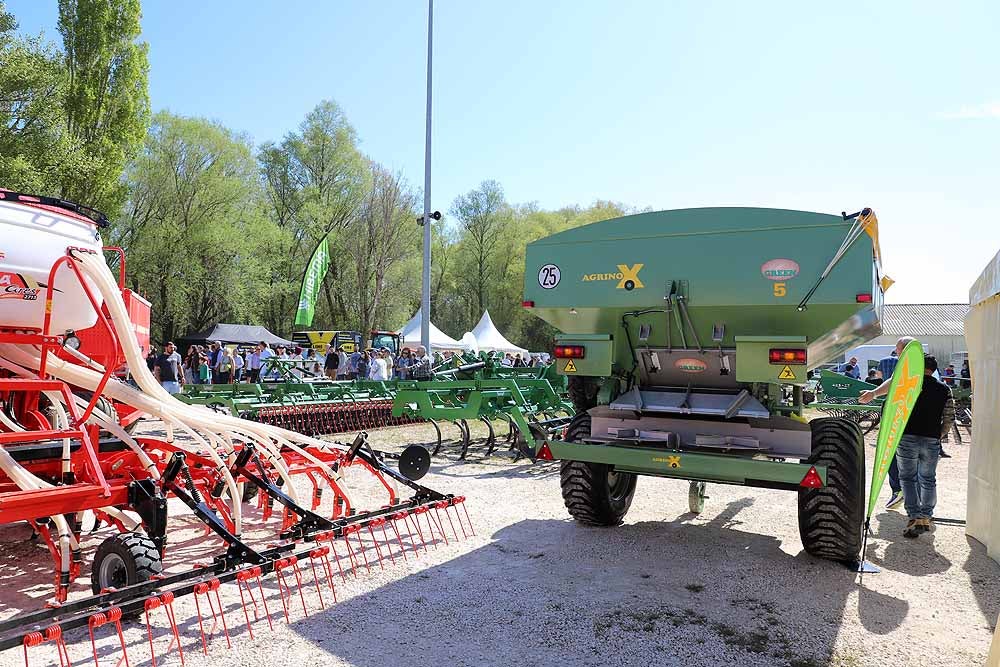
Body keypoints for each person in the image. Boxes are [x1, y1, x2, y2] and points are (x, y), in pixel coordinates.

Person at [893, 355, 954, 537]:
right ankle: (926, 517)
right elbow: (949, 416)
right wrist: (940, 434)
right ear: (934, 370)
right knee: (928, 478)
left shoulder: (907, 386)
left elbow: (895, 410)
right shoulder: (944, 389)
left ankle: (913, 516)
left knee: (907, 477)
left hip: (906, 438)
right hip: (931, 439)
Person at [860, 337, 916, 509]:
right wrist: (874, 394)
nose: (896, 352)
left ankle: (899, 491)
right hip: (918, 421)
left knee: (891, 452)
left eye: (898, 349)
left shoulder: (908, 364)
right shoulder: (918, 362)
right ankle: (915, 500)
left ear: (905, 349)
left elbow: (894, 382)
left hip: (904, 416)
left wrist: (874, 394)